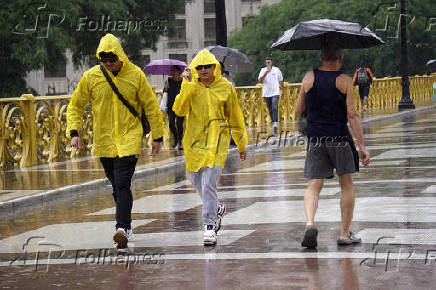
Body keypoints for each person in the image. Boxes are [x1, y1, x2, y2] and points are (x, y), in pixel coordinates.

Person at [66, 33, 165, 251]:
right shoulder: (91, 77)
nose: (109, 64)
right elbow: (75, 106)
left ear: (120, 55)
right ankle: (125, 219)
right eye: (105, 61)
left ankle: (122, 227)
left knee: (121, 182)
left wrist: (157, 136)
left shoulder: (136, 75)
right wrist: (74, 132)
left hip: (129, 138)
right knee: (116, 184)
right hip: (104, 140)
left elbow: (150, 106)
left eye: (112, 60)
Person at [295, 43, 370, 249]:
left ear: (321, 57)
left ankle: (310, 223)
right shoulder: (345, 80)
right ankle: (345, 234)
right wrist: (362, 145)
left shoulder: (308, 78)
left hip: (316, 138)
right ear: (339, 59)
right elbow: (352, 115)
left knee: (313, 185)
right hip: (339, 137)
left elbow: (298, 109)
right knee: (346, 184)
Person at [173, 49, 248, 245]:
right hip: (194, 142)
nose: (204, 70)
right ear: (195, 69)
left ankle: (209, 226)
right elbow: (178, 110)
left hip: (217, 142)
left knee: (208, 184)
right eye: (200, 67)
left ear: (215, 67)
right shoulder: (191, 86)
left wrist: (241, 143)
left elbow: (235, 116)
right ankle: (215, 208)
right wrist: (186, 85)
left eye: (208, 66)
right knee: (195, 178)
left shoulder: (225, 87)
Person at [258, 57, 284, 135]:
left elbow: (281, 80)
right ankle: (273, 122)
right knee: (270, 108)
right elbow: (260, 80)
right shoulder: (263, 70)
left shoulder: (277, 70)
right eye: (267, 62)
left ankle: (275, 122)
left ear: (272, 62)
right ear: (265, 63)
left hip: (275, 91)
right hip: (266, 93)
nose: (268, 63)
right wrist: (266, 73)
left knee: (274, 106)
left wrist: (282, 91)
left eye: (269, 62)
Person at [163, 65, 184, 150]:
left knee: (179, 124)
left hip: (180, 106)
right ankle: (176, 137)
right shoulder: (169, 80)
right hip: (171, 105)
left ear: (179, 72)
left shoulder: (183, 81)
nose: (173, 73)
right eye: (172, 71)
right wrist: (165, 88)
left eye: (175, 71)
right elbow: (165, 92)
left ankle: (179, 142)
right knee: (171, 123)